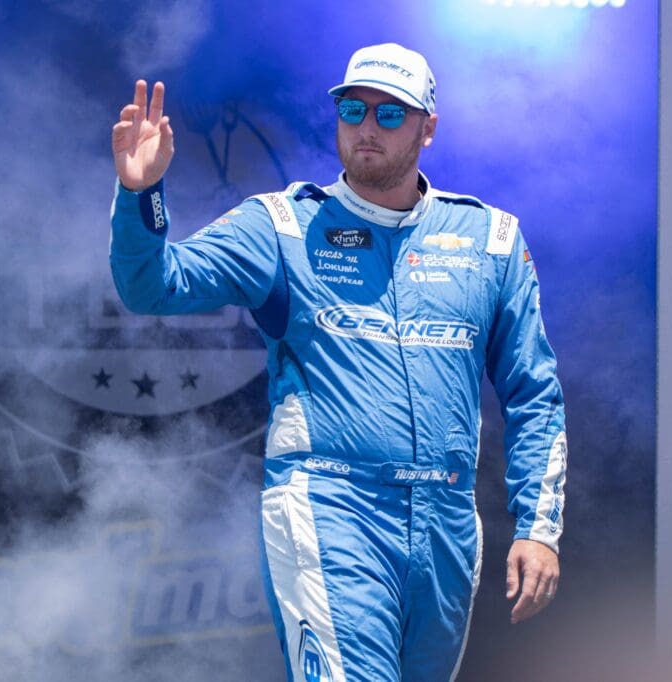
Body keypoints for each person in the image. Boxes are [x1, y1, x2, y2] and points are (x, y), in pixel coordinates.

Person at [109, 43, 567, 682]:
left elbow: (533, 391)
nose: (366, 127)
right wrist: (141, 194)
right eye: (353, 109)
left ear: (427, 128)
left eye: (389, 114)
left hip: (446, 524)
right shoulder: (282, 225)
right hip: (329, 501)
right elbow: (153, 285)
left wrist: (538, 527)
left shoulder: (490, 239)